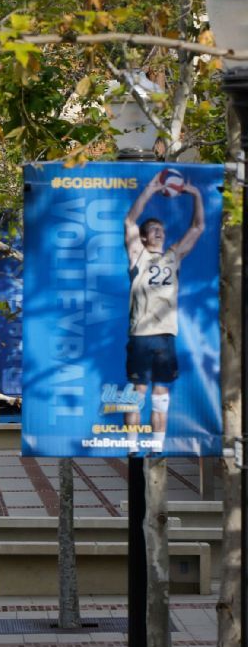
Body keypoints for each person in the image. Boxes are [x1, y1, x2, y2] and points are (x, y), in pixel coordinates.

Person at [123, 169, 205, 453]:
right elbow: (130, 221)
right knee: (137, 394)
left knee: (161, 397)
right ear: (144, 237)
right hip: (141, 335)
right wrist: (150, 189)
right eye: (153, 230)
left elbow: (198, 228)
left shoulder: (173, 256)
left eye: (161, 229)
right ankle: (132, 448)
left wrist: (195, 194)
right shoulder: (138, 256)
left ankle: (156, 449)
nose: (159, 232)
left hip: (166, 335)